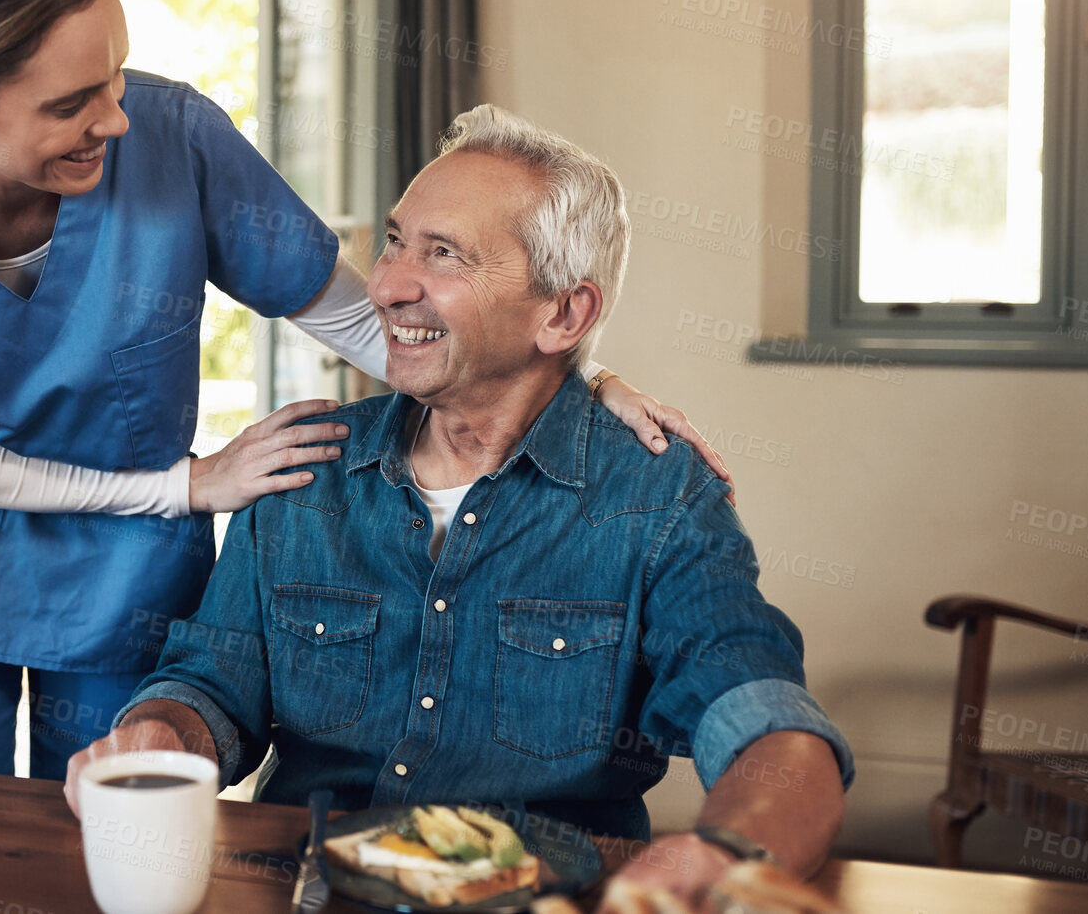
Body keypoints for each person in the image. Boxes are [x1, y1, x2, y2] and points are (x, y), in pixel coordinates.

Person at [0, 0, 729, 782]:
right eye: (71, 103)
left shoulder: (173, 137)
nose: (113, 117)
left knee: (111, 829)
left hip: (125, 576)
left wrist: (573, 378)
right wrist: (191, 485)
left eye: (113, 77)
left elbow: (370, 320)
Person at [63, 106, 852, 910]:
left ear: (563, 314)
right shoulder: (307, 469)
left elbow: (760, 716)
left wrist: (724, 852)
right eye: (396, 240)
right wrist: (163, 731)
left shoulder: (658, 497)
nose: (384, 283)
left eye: (442, 255)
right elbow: (210, 684)